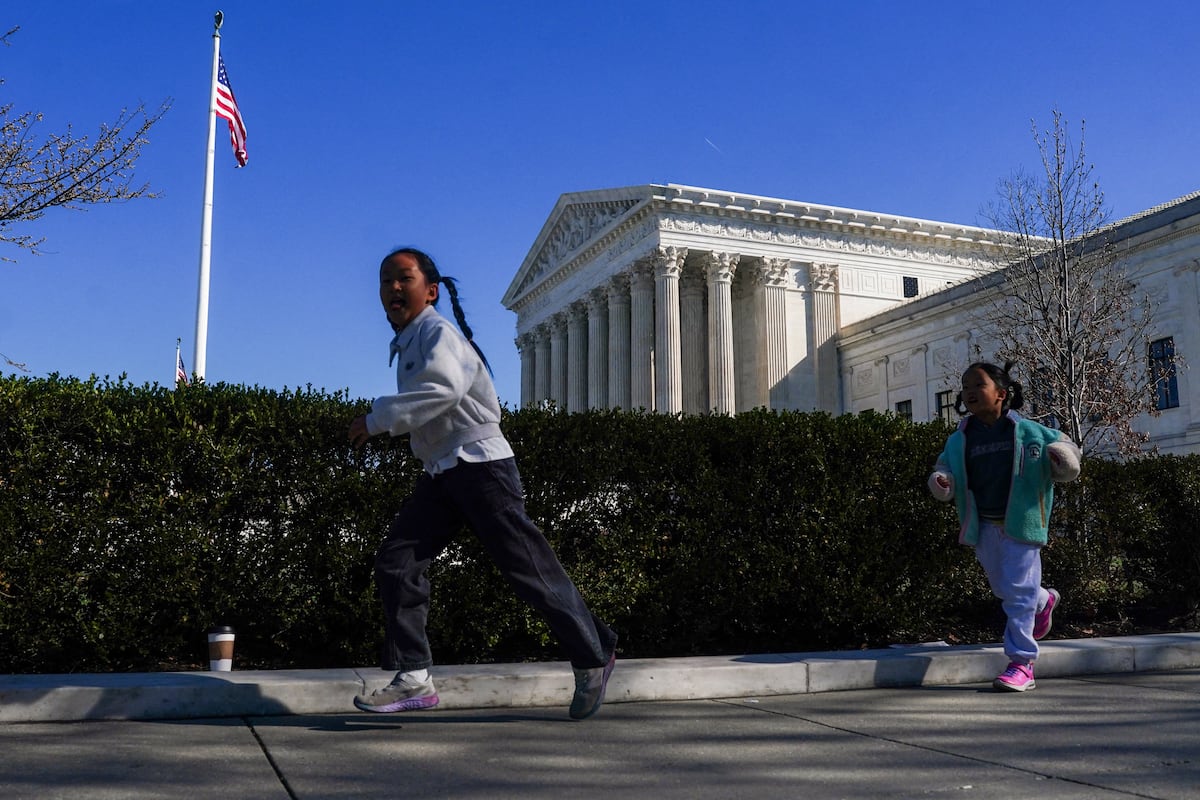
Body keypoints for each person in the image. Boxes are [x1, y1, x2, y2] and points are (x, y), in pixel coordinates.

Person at [348, 247, 618, 720]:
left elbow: (443, 388)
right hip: (443, 473)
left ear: (429, 290)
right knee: (397, 562)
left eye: (403, 278)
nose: (392, 287)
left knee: (529, 572)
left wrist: (375, 420)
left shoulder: (436, 331)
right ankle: (414, 675)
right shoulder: (412, 340)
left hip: (480, 468)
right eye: (385, 280)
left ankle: (594, 656)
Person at [927, 361, 1081, 692]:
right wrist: (942, 482)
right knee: (1005, 589)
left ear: (1002, 394)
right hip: (982, 525)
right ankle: (1043, 601)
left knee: (1016, 594)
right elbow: (945, 468)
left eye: (978, 385)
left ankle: (1022, 663)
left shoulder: (1028, 432)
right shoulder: (960, 439)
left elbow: (1066, 450)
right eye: (965, 386)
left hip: (1022, 524)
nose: (969, 391)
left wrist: (1062, 459)